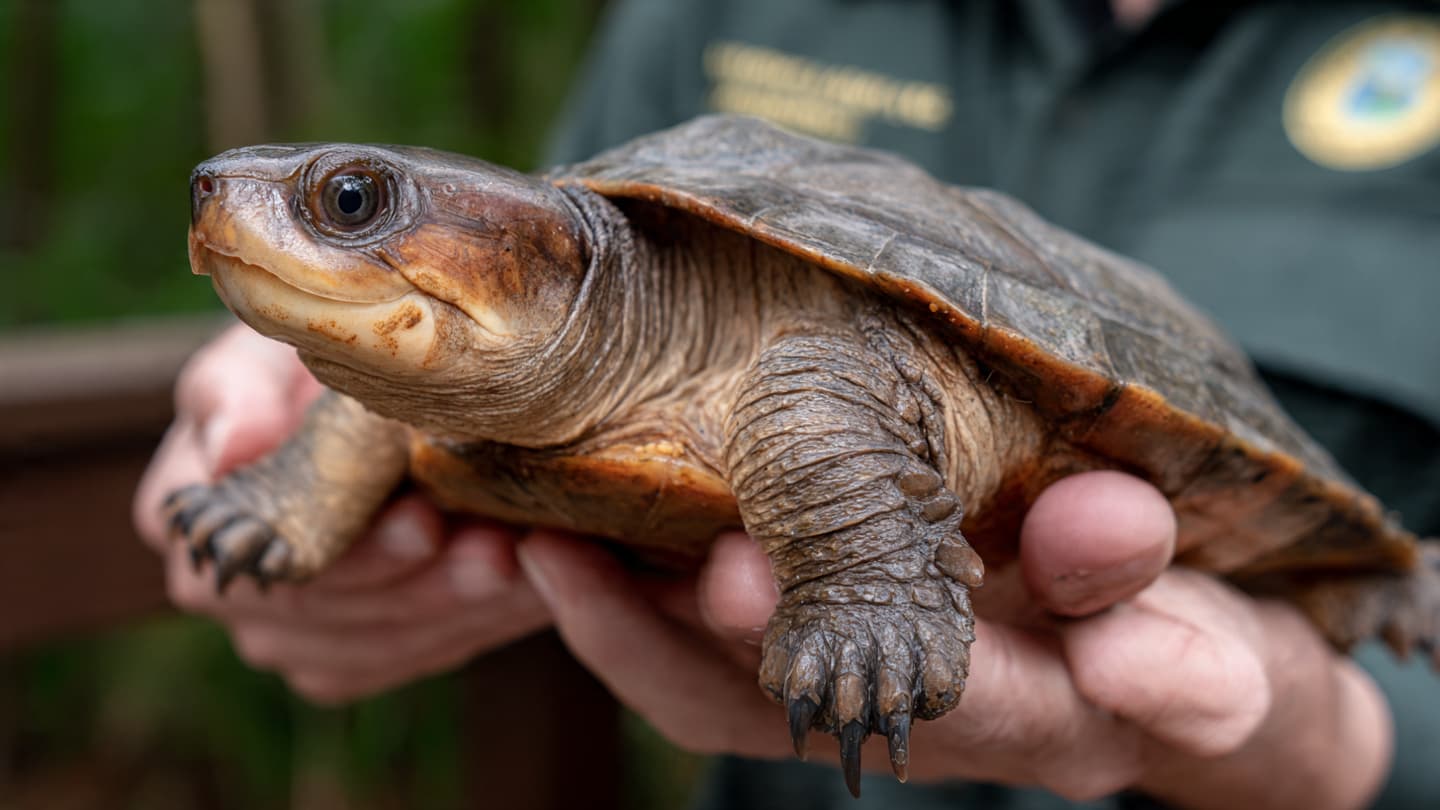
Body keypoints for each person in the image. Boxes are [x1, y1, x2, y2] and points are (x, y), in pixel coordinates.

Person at [134, 0, 1440, 806]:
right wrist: (279, 504)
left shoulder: (787, 382)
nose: (227, 208)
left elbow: (810, 379)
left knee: (810, 399)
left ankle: (1376, 578)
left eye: (349, 204)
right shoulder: (501, 328)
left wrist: (1346, 750)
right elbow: (395, 393)